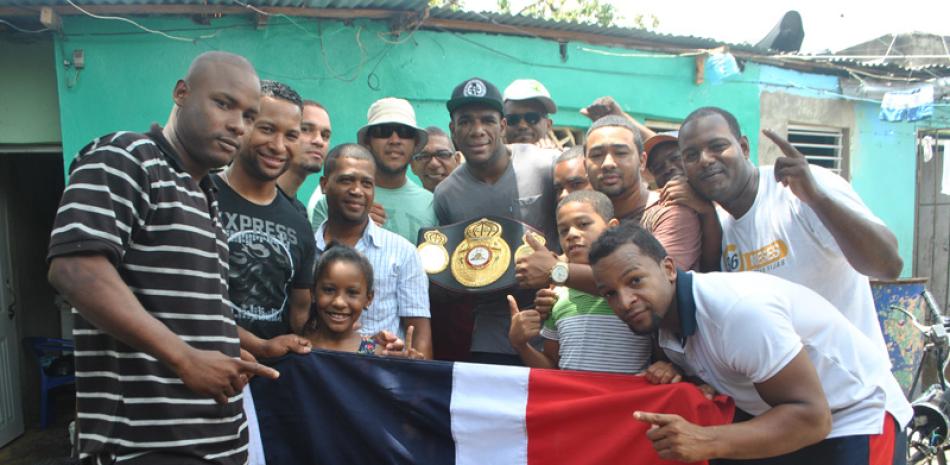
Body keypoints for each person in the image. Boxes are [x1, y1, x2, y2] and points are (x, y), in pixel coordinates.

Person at [46, 51, 278, 464]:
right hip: (145, 446)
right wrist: (184, 357)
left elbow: (182, 307)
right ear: (181, 93)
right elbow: (76, 269)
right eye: (223, 104)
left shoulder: (204, 195)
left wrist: (230, 346)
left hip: (215, 440)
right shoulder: (126, 157)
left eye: (248, 116)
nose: (236, 126)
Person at [589, 222, 911, 464]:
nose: (625, 300)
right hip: (789, 422)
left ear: (669, 269)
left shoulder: (737, 312)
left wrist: (706, 439)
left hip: (857, 413)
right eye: (610, 293)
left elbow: (812, 417)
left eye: (635, 281)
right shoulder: (665, 323)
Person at [678, 107, 903, 353]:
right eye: (691, 155)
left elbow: (888, 266)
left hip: (856, 385)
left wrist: (816, 198)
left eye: (718, 146)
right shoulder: (719, 227)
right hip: (789, 389)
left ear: (744, 148)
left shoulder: (802, 190)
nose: (705, 160)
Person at [434, 76, 559, 365]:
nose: (477, 130)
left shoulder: (544, 165)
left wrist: (557, 270)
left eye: (487, 120)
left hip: (555, 322)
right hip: (492, 332)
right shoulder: (446, 194)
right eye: (465, 121)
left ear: (502, 126)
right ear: (453, 131)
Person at [212, 81, 317, 360]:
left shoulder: (299, 222)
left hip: (270, 385)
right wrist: (257, 346)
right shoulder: (198, 195)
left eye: (291, 135)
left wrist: (368, 346)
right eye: (267, 129)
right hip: (197, 372)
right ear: (243, 125)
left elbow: (302, 319)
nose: (278, 146)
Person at [507, 190, 651, 374]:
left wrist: (665, 366)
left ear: (612, 228)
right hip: (576, 400)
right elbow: (553, 369)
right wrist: (521, 345)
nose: (572, 234)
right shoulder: (556, 295)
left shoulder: (633, 284)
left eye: (583, 224)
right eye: (563, 230)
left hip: (627, 401)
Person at [315, 143, 432, 358]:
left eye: (366, 183)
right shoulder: (305, 249)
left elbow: (419, 334)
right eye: (346, 180)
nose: (357, 191)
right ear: (324, 185)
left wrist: (414, 367)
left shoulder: (403, 252)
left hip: (379, 381)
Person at [312, 97, 436, 243]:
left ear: (415, 144)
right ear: (367, 142)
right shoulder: (331, 201)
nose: (395, 140)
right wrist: (351, 224)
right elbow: (318, 259)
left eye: (405, 132)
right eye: (384, 131)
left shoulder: (431, 205)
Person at [302, 243, 422, 359]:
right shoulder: (300, 346)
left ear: (368, 299)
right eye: (329, 290)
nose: (339, 302)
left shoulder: (373, 352)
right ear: (312, 292)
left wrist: (409, 369)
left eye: (352, 293)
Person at [644, 132, 723, 272]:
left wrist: (706, 210)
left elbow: (713, 266)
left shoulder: (721, 191)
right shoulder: (662, 206)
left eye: (675, 158)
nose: (668, 168)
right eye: (658, 168)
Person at [277, 100, 331, 219]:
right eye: (306, 129)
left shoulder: (300, 215)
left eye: (325, 135)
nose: (319, 141)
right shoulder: (253, 198)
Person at [503, 78, 558, 147]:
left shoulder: (564, 157)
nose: (522, 125)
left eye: (532, 118)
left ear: (548, 125)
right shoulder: (489, 157)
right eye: (513, 119)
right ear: (502, 126)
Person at [410, 126, 462, 193]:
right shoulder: (404, 203)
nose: (434, 164)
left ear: (457, 160)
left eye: (442, 154)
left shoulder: (475, 200)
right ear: (413, 165)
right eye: (424, 156)